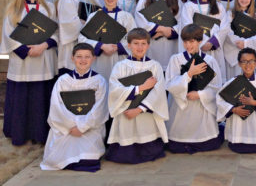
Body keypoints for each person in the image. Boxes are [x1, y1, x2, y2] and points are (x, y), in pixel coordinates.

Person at [0, 0, 58, 145]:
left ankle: (40, 134)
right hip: (22, 63)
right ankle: (20, 134)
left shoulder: (49, 7)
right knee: (22, 101)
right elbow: (7, 35)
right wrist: (25, 50)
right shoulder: (13, 8)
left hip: (44, 60)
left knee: (40, 100)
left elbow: (56, 32)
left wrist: (43, 46)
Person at [41, 43, 108, 172]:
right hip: (66, 127)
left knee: (88, 159)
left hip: (90, 127)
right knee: (56, 159)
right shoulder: (63, 80)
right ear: (72, 58)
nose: (83, 60)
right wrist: (72, 126)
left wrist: (82, 127)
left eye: (87, 57)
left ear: (93, 58)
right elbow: (57, 107)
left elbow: (100, 108)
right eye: (79, 56)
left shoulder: (99, 81)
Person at [105, 28, 168, 164]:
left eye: (143, 43)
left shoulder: (155, 66)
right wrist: (141, 87)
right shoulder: (120, 66)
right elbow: (115, 90)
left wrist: (139, 109)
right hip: (125, 111)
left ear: (148, 45)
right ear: (129, 45)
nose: (140, 47)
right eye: (136, 43)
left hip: (145, 113)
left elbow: (159, 92)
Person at [165, 24, 224, 153]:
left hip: (201, 109)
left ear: (200, 41)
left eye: (192, 41)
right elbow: (169, 85)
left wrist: (200, 95)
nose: (188, 45)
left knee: (208, 142)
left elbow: (217, 88)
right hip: (181, 109)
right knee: (176, 144)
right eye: (185, 41)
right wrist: (188, 74)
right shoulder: (175, 59)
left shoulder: (210, 61)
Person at [217, 48, 256, 153]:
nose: (248, 64)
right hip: (237, 127)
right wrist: (233, 109)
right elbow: (219, 99)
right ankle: (238, 139)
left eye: (251, 61)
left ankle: (255, 140)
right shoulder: (233, 81)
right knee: (237, 143)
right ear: (239, 63)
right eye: (244, 61)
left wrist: (255, 103)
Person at [79, 0, 136, 80]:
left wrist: (118, 47)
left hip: (120, 60)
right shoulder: (94, 16)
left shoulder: (127, 17)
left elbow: (134, 39)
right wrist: (101, 46)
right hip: (100, 62)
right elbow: (82, 39)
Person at [181, 0, 230, 82]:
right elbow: (187, 27)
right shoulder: (189, 6)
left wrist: (212, 42)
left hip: (214, 51)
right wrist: (202, 43)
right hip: (195, 50)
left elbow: (225, 28)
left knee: (214, 81)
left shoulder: (219, 7)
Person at [134, 0, 180, 71]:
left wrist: (168, 32)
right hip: (151, 47)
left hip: (171, 48)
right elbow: (140, 21)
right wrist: (161, 29)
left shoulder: (177, 2)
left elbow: (182, 24)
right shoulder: (144, 1)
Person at [57, 0, 98, 76]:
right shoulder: (66, 0)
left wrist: (83, 22)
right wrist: (89, 25)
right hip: (71, 51)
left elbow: (100, 24)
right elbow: (71, 27)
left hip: (90, 50)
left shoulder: (93, 0)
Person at [223, 0, 256, 80]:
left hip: (250, 56)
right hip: (234, 54)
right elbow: (226, 32)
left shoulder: (255, 16)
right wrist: (238, 41)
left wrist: (246, 43)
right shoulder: (230, 14)